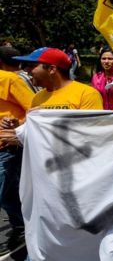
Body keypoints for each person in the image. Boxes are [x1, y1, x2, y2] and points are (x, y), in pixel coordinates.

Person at [0, 50, 35, 255]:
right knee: (6, 193)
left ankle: (23, 226)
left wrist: (16, 128)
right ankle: (21, 225)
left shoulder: (9, 80)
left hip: (8, 146)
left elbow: (35, 109)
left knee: (3, 192)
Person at [14, 47, 103, 110]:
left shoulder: (87, 94)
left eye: (31, 66)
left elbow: (91, 130)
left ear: (52, 69)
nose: (26, 71)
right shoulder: (37, 98)